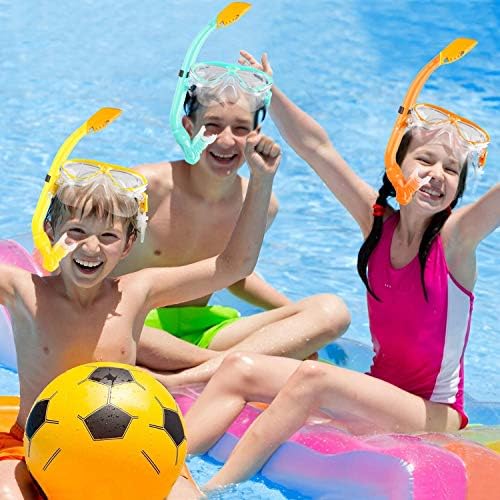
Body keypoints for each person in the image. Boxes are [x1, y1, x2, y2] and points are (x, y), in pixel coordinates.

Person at [182, 45, 499, 491]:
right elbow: (317, 149)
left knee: (313, 377)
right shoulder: (378, 225)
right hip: (378, 391)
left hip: (434, 412)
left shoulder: (455, 242)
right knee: (240, 368)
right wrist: (272, 92)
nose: (437, 175)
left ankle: (213, 489)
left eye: (451, 170)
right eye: (425, 160)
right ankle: (170, 464)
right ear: (397, 164)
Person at [0, 107, 281, 498]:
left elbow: (233, 266)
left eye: (108, 237)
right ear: (50, 231)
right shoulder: (23, 291)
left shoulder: (135, 292)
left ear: (129, 244)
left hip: (129, 451)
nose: (91, 248)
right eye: (76, 231)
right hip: (34, 445)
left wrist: (262, 180)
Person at [115, 18, 350, 386]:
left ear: (256, 134)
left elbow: (235, 273)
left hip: (204, 331)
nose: (226, 141)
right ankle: (218, 368)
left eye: (240, 129)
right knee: (109, 319)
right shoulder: (144, 187)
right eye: (212, 125)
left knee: (331, 311)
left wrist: (294, 317)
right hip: (135, 325)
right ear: (188, 127)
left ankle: (197, 372)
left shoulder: (260, 200)